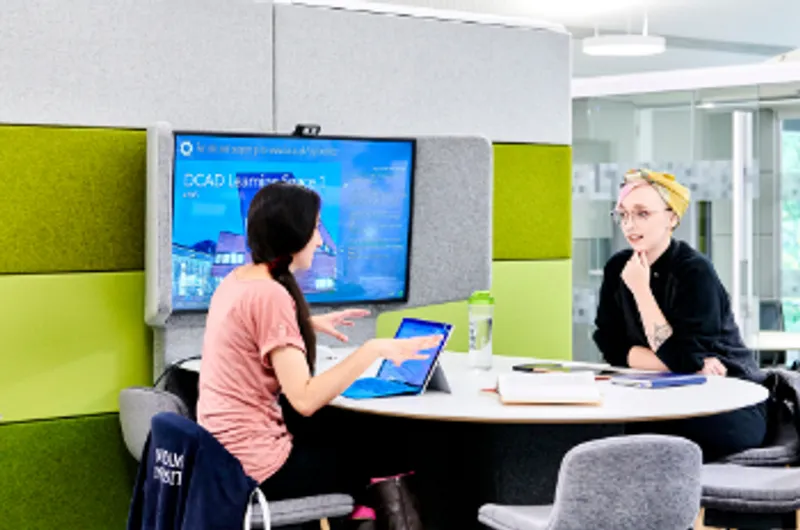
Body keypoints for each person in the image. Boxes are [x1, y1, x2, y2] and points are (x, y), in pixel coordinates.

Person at [196, 182, 440, 517]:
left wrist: (306, 325)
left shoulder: (238, 279)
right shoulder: (271, 296)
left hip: (223, 457)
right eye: (315, 229)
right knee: (391, 451)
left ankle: (363, 515)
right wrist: (374, 349)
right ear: (293, 235)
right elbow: (305, 399)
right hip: (259, 467)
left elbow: (244, 332)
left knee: (351, 438)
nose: (321, 240)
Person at [593, 168, 768, 462]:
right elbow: (610, 346)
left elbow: (685, 357)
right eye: (623, 214)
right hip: (662, 395)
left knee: (637, 440)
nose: (630, 224)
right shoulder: (617, 267)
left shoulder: (694, 271)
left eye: (642, 213)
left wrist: (641, 290)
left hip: (729, 402)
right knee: (606, 431)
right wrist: (681, 365)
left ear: (672, 218)